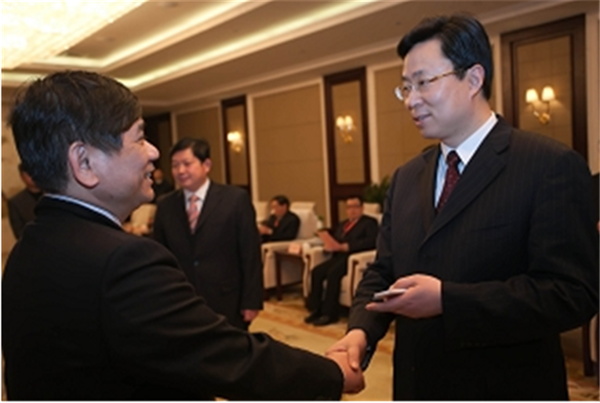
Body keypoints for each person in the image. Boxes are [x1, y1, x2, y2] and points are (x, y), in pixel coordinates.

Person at [2, 70, 365, 400]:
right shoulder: (123, 262)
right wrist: (331, 373)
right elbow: (228, 358)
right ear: (84, 162)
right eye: (139, 138)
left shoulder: (27, 250)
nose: (154, 152)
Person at [327, 14, 598, 400]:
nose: (412, 100)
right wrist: (360, 331)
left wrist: (447, 301)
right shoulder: (406, 177)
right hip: (416, 385)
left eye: (423, 82)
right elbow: (384, 270)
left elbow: (571, 293)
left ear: (473, 79)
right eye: (406, 87)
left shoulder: (548, 165)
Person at [152, 137, 263, 330]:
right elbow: (160, 254)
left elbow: (250, 252)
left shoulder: (235, 199)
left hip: (227, 298)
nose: (180, 171)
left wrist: (251, 300)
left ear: (206, 165)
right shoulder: (165, 205)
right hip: (182, 299)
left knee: (230, 347)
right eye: (175, 165)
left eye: (187, 163)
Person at [305, 196, 379, 326]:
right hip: (338, 256)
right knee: (317, 271)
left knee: (333, 273)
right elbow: (335, 239)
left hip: (353, 257)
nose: (352, 210)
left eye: (355, 207)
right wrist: (328, 245)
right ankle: (316, 309)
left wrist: (347, 246)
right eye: (349, 207)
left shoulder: (369, 223)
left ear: (362, 208)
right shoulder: (343, 224)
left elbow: (372, 242)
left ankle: (329, 314)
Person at [7, 163, 43, 239]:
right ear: (22, 177)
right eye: (28, 174)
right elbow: (19, 233)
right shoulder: (16, 203)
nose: (32, 176)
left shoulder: (53, 193)